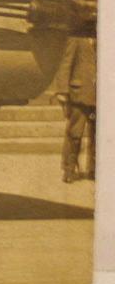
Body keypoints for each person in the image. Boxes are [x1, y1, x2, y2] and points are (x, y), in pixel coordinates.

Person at [60, 37, 96, 183]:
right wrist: (62, 90)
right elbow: (66, 64)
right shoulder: (76, 39)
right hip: (79, 94)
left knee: (98, 134)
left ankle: (94, 169)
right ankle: (69, 169)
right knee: (75, 133)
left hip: (100, 94)